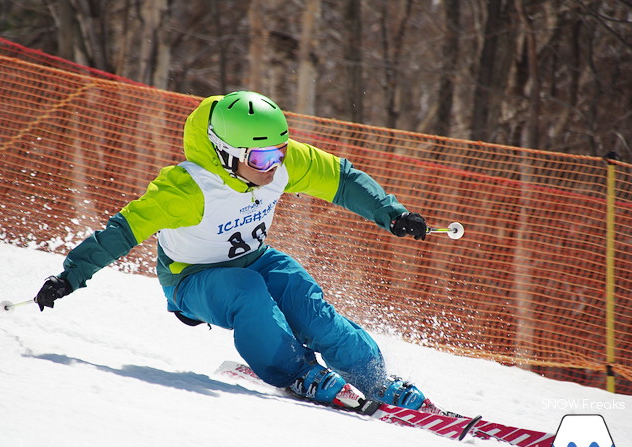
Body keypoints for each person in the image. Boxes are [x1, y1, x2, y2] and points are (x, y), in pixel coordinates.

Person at [35, 91, 432, 411]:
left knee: (302, 295)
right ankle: (295, 371)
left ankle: (373, 377)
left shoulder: (281, 162)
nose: (274, 166)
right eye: (261, 158)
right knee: (247, 291)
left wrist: (391, 214)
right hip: (191, 279)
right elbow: (120, 233)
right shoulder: (187, 189)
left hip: (254, 256)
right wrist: (70, 276)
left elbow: (342, 181)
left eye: (280, 152)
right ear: (226, 153)